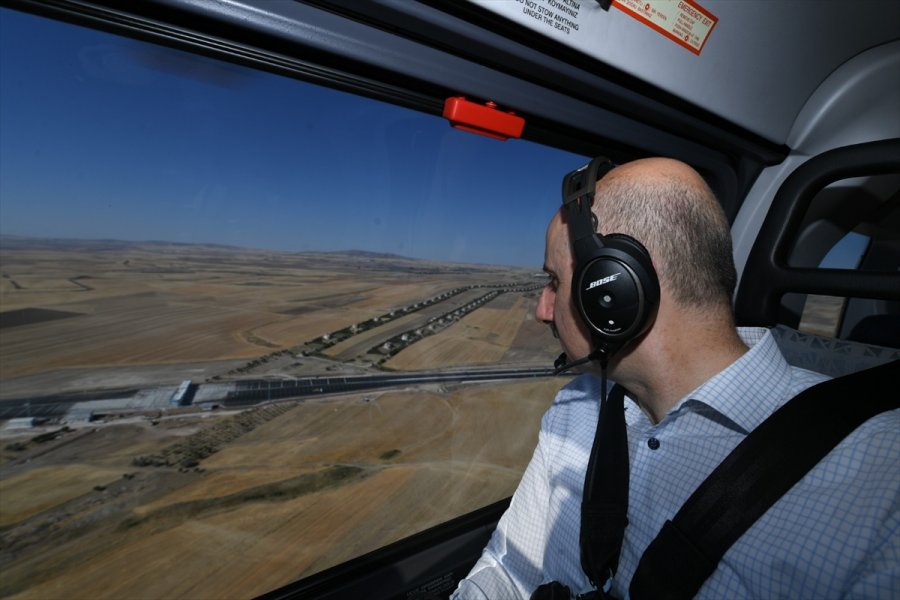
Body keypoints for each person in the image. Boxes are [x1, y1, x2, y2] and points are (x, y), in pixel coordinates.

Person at [451, 158, 899, 599]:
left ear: (614, 287)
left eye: (554, 281)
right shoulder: (576, 408)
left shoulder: (883, 484)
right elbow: (507, 570)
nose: (541, 310)